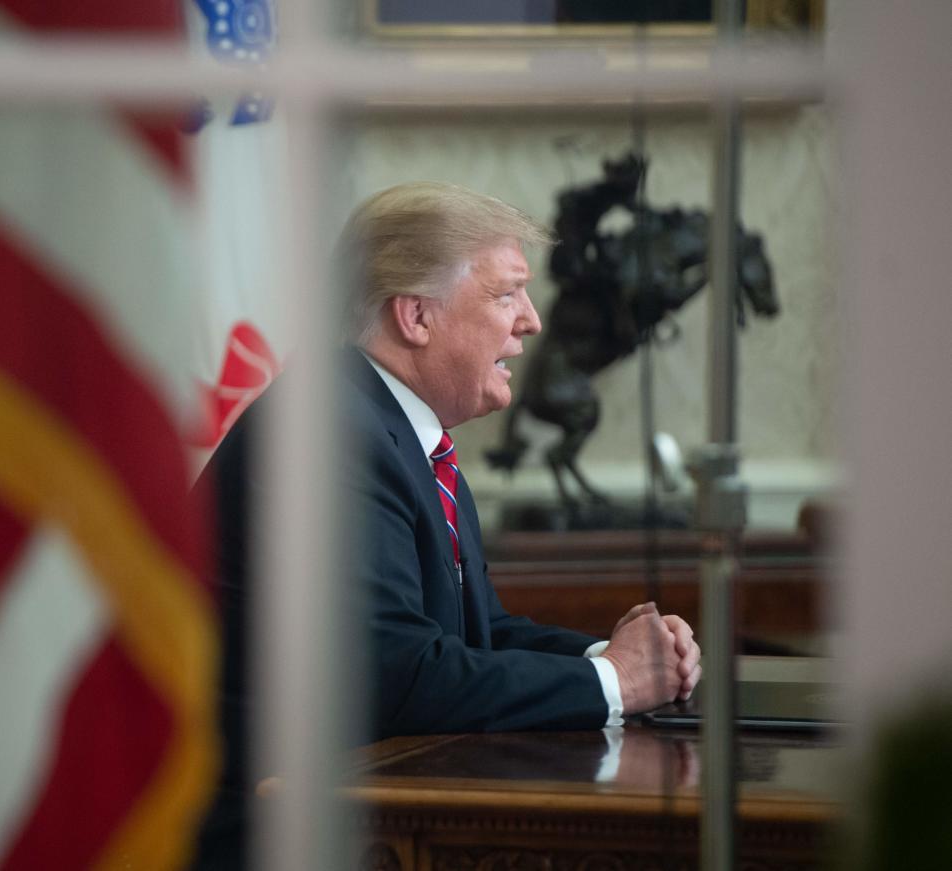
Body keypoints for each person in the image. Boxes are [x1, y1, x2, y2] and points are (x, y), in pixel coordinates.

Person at [190, 181, 701, 870]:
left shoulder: (396, 429)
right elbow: (397, 673)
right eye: (506, 293)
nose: (532, 321)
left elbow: (475, 634)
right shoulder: (331, 433)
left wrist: (617, 656)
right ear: (416, 316)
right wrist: (615, 682)